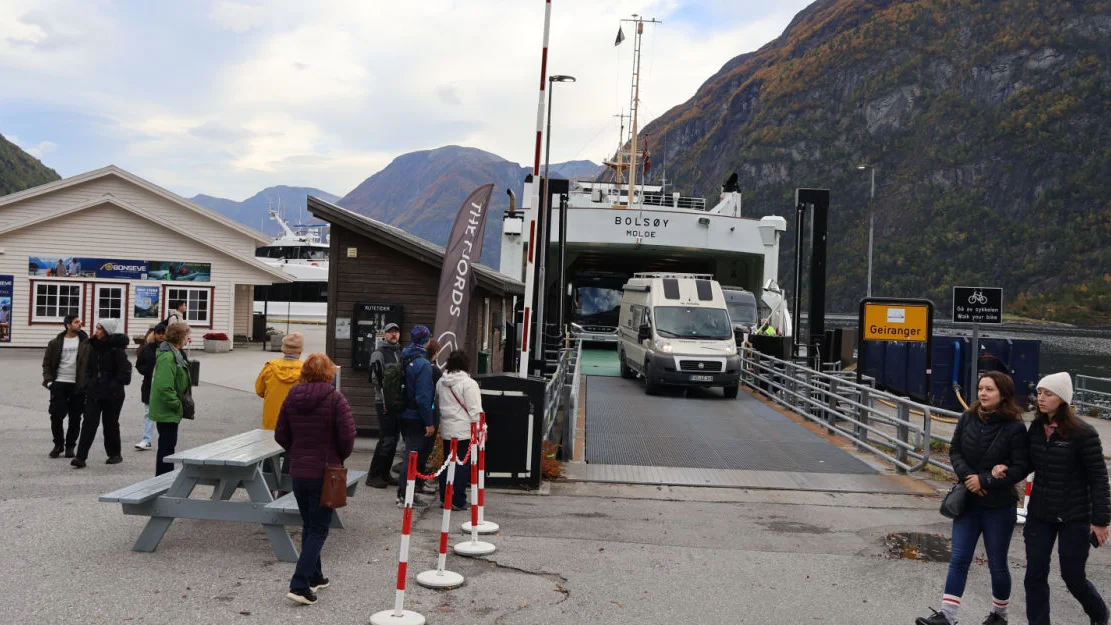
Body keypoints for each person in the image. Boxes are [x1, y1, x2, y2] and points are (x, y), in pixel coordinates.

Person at [916, 371, 1030, 625]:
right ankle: (947, 616)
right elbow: (955, 450)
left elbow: (1021, 467)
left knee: (997, 564)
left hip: (999, 506)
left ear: (1003, 394)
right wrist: (971, 479)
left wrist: (986, 480)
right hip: (968, 502)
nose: (983, 393)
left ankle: (999, 616)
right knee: (958, 559)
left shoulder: (1014, 427)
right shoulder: (968, 417)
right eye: (981, 388)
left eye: (990, 389)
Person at [1024, 372, 1111, 625]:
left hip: (1075, 515)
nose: (1041, 398)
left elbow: (1099, 478)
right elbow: (1027, 463)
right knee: (1034, 575)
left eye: (1048, 394)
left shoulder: (1083, 433)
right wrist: (1001, 470)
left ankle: (1099, 615)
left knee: (1073, 577)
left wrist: (1101, 521)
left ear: (1062, 399)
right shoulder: (1036, 428)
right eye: (1040, 392)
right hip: (1040, 514)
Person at [274, 353, 355, 606]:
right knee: (319, 528)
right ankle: (299, 584)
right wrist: (339, 456)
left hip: (299, 470)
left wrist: (296, 451)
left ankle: (315, 576)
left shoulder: (292, 396)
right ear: (329, 373)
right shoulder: (335, 399)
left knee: (310, 524)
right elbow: (348, 436)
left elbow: (280, 434)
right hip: (325, 471)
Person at [71, 319, 133, 468]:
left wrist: (112, 384)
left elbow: (125, 374)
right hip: (94, 390)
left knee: (110, 423)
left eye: (100, 328)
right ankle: (80, 457)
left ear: (107, 331)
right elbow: (88, 368)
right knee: (89, 423)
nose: (96, 331)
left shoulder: (117, 349)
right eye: (97, 328)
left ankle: (115, 454)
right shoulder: (93, 346)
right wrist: (88, 383)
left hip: (113, 394)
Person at [436, 349, 482, 511]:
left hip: (447, 429)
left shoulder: (441, 382)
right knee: (462, 465)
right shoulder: (469, 384)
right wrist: (481, 428)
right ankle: (458, 500)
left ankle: (445, 497)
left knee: (447, 464)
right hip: (463, 431)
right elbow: (475, 410)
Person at [396, 324, 436, 508]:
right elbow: (423, 398)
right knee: (412, 455)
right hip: (416, 415)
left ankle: (405, 493)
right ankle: (405, 495)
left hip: (403, 411)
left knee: (408, 452)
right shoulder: (423, 364)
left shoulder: (404, 355)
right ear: (426, 340)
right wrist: (429, 422)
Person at [149, 322, 193, 475]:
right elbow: (164, 387)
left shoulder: (175, 353)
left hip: (169, 410)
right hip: (167, 409)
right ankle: (162, 479)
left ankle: (164, 477)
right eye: (187, 335)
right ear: (180, 337)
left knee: (168, 445)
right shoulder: (168, 357)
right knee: (166, 447)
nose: (188, 339)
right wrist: (177, 405)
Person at [42, 314, 88, 458]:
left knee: (75, 417)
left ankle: (70, 446)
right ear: (68, 325)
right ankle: (58, 445)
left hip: (77, 385)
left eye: (79, 322)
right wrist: (49, 381)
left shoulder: (86, 342)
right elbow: (47, 363)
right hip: (59, 383)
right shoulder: (55, 343)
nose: (80, 324)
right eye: (76, 322)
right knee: (56, 415)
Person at [365, 322, 403, 488]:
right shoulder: (378, 354)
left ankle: (385, 473)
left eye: (396, 332)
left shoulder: (401, 352)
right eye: (390, 332)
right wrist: (387, 391)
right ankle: (373, 475)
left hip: (397, 402)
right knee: (386, 439)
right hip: (383, 402)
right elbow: (375, 379)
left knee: (394, 439)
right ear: (385, 335)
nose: (394, 334)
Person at [256, 332, 305, 430]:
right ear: (300, 350)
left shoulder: (270, 367)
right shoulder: (306, 371)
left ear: (283, 348)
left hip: (271, 423)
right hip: (295, 425)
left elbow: (259, 390)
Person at [133, 323, 168, 450]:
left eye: (164, 333)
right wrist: (148, 371)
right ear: (155, 334)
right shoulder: (147, 348)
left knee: (164, 413)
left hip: (166, 384)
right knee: (148, 412)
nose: (161, 336)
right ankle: (146, 439)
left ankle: (165, 438)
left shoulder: (170, 348)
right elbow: (139, 365)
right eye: (159, 333)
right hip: (150, 384)